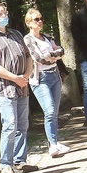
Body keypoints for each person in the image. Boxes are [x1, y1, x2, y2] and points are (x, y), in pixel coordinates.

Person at [0, 3, 37, 173]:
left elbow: (28, 56)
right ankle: (6, 164)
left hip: (22, 86)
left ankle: (20, 160)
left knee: (22, 125)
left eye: (5, 12)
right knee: (10, 125)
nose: (4, 15)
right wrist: (15, 78)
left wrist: (25, 75)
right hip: (4, 88)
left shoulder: (16, 34)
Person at [23, 8, 70, 158]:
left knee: (54, 112)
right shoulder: (28, 39)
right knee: (49, 111)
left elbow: (61, 51)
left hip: (54, 76)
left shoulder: (47, 37)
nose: (40, 21)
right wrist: (52, 55)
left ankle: (54, 143)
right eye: (36, 19)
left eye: (41, 18)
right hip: (40, 78)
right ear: (29, 23)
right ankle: (52, 144)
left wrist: (52, 55)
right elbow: (38, 58)